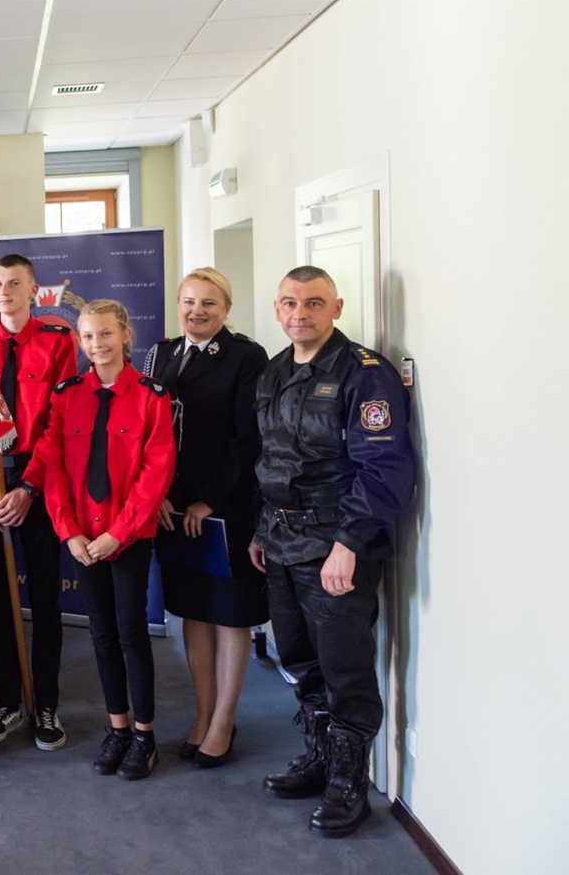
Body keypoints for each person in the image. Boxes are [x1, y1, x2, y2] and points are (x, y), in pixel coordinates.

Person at [252, 266, 416, 839]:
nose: (301, 313)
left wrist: (348, 544)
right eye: (291, 303)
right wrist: (259, 530)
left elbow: (385, 467)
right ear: (277, 309)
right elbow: (270, 460)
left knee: (345, 666)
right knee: (298, 658)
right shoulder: (273, 372)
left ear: (337, 308)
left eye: (315, 303)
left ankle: (349, 781)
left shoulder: (365, 374)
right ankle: (320, 759)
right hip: (280, 539)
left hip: (335, 543)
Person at [42, 300, 176, 780]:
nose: (95, 345)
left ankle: (144, 735)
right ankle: (117, 728)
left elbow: (156, 471)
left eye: (104, 334)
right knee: (100, 634)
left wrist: (118, 534)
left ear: (124, 334)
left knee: (131, 633)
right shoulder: (66, 394)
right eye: (86, 337)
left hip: (128, 537)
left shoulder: (150, 395)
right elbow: (53, 467)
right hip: (82, 537)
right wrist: (69, 530)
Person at [143, 268, 269, 768]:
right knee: (192, 611)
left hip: (225, 507)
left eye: (210, 304)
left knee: (228, 613)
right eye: (190, 301)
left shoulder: (246, 357)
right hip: (171, 507)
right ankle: (203, 714)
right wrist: (159, 494)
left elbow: (247, 440)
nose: (198, 310)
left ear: (226, 309)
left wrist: (208, 501)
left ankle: (224, 721)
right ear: (178, 303)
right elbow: (149, 431)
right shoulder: (161, 354)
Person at [0, 252, 76, 748]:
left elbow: (60, 422)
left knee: (45, 602)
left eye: (13, 283)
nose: (3, 291)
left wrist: (29, 487)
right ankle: (9, 701)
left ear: (34, 291)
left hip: (39, 486)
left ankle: (45, 703)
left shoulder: (56, 342)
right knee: (0, 603)